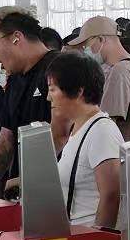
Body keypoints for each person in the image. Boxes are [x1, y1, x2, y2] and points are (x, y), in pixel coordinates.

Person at [45, 51, 123, 230]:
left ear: (78, 91)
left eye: (53, 89)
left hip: (89, 238)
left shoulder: (102, 131)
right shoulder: (78, 128)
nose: (49, 97)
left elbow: (111, 195)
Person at [0, 8, 54, 195]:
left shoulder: (59, 71)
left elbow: (64, 135)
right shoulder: (15, 80)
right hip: (22, 191)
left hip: (56, 191)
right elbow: (3, 145)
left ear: (16, 38)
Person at [67, 16, 130, 141]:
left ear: (101, 39)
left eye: (86, 45)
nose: (85, 51)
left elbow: (105, 126)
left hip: (122, 148)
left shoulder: (120, 71)